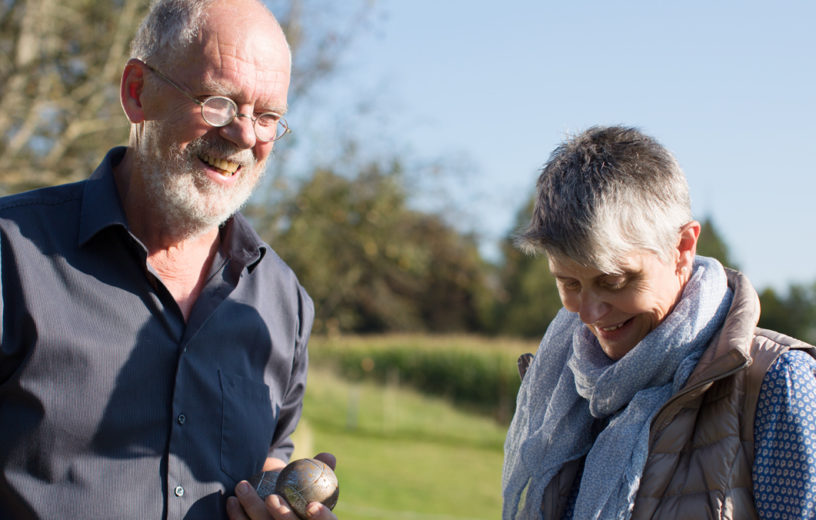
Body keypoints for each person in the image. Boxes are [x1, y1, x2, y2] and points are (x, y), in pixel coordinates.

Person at [0, 1, 336, 518]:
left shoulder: (284, 303)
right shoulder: (11, 255)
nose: (244, 136)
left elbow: (271, 456)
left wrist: (277, 501)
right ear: (137, 92)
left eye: (267, 117)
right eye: (219, 102)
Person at [502, 126, 816, 519]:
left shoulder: (777, 383)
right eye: (568, 283)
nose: (588, 312)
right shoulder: (559, 386)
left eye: (613, 282)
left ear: (683, 248)